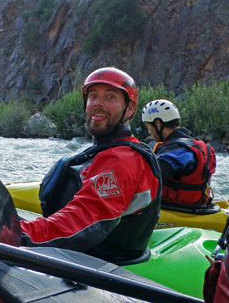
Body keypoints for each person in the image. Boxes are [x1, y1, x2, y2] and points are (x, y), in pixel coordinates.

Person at [21, 67, 161, 264]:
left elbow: (83, 220)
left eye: (110, 97)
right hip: (89, 252)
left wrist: (21, 234)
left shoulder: (121, 158)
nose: (97, 104)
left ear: (129, 109)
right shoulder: (106, 150)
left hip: (102, 262)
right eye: (93, 96)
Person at [141, 99, 216, 209]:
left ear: (158, 123)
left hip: (177, 209)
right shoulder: (195, 144)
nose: (149, 132)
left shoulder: (178, 150)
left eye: (149, 127)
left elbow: (151, 176)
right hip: (196, 205)